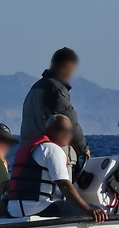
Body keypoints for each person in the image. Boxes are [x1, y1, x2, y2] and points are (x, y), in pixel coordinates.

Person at [5, 114, 107, 221]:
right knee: (98, 211)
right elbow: (64, 185)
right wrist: (88, 209)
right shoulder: (52, 149)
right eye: (63, 130)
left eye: (71, 131)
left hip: (14, 209)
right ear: (50, 130)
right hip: (36, 208)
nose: (68, 134)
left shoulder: (32, 147)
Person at [21, 48, 90, 177]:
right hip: (50, 154)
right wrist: (84, 149)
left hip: (29, 154)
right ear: (59, 66)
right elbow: (70, 122)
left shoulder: (35, 88)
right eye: (68, 69)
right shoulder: (56, 89)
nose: (70, 75)